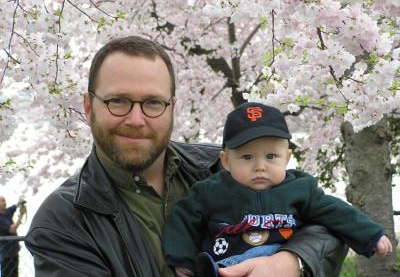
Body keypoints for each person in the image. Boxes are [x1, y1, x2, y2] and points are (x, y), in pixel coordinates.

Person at [25, 36, 348, 277]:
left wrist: (291, 262)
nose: (136, 120)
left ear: (172, 108)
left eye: (153, 103)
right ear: (87, 106)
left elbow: (328, 221)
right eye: (118, 101)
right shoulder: (61, 224)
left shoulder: (225, 166)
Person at [163, 102, 393, 277]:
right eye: (247, 157)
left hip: (279, 261)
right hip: (228, 263)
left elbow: (335, 211)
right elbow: (183, 219)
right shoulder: (210, 191)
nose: (260, 166)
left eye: (271, 156)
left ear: (287, 158)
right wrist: (181, 259)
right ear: (226, 161)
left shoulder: (300, 188)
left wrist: (370, 234)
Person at [0, 196, 26, 277]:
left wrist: (20, 204)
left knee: (15, 274)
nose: (5, 203)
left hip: (14, 251)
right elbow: (12, 230)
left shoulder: (7, 212)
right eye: (2, 201)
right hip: (6, 254)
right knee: (7, 274)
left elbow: (14, 207)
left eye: (5, 201)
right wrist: (21, 216)